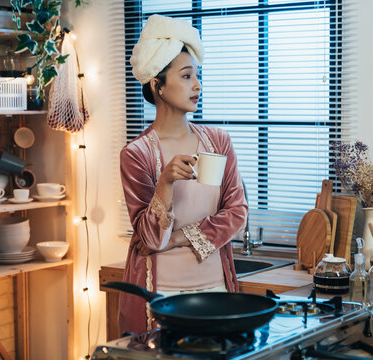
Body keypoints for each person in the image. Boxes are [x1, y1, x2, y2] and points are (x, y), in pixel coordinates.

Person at [118, 14, 248, 335]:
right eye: (187, 76)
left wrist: (179, 237)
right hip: (159, 297)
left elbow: (237, 212)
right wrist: (165, 182)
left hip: (216, 290)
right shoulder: (137, 154)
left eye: (198, 76)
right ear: (157, 85)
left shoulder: (217, 142)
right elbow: (149, 240)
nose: (198, 85)